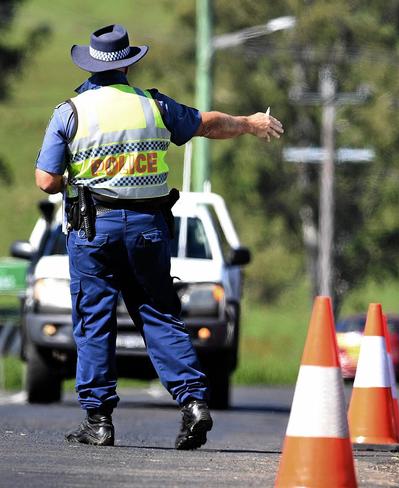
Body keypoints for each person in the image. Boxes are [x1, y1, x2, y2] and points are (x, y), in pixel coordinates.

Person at [33, 24, 283, 449]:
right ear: (128, 64)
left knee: (94, 320)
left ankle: (98, 419)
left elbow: (45, 181)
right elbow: (207, 124)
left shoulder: (70, 112)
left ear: (90, 66)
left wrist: (75, 179)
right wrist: (249, 123)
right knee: (159, 313)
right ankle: (193, 403)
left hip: (94, 229)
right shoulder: (154, 105)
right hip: (149, 229)